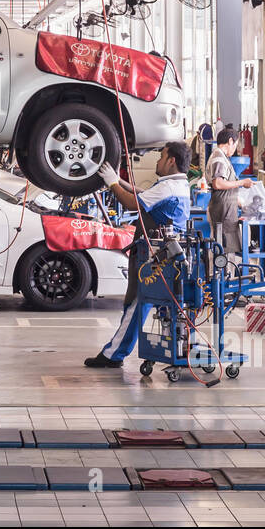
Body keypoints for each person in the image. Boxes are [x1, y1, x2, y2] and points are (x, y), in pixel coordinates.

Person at [84, 141, 192, 368]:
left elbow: (133, 203)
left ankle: (114, 354)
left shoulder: (168, 188)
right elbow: (147, 195)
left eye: (162, 157)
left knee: (137, 302)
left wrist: (113, 183)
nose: (158, 161)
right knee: (158, 304)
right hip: (165, 256)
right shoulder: (177, 185)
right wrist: (119, 181)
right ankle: (174, 349)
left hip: (154, 257)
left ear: (172, 160)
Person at [206, 127, 254, 256]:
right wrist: (242, 183)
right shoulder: (219, 158)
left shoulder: (222, 157)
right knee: (223, 250)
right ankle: (222, 276)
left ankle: (226, 274)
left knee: (226, 249)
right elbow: (218, 183)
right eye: (236, 145)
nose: (236, 149)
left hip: (225, 209)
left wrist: (241, 202)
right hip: (222, 211)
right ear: (231, 141)